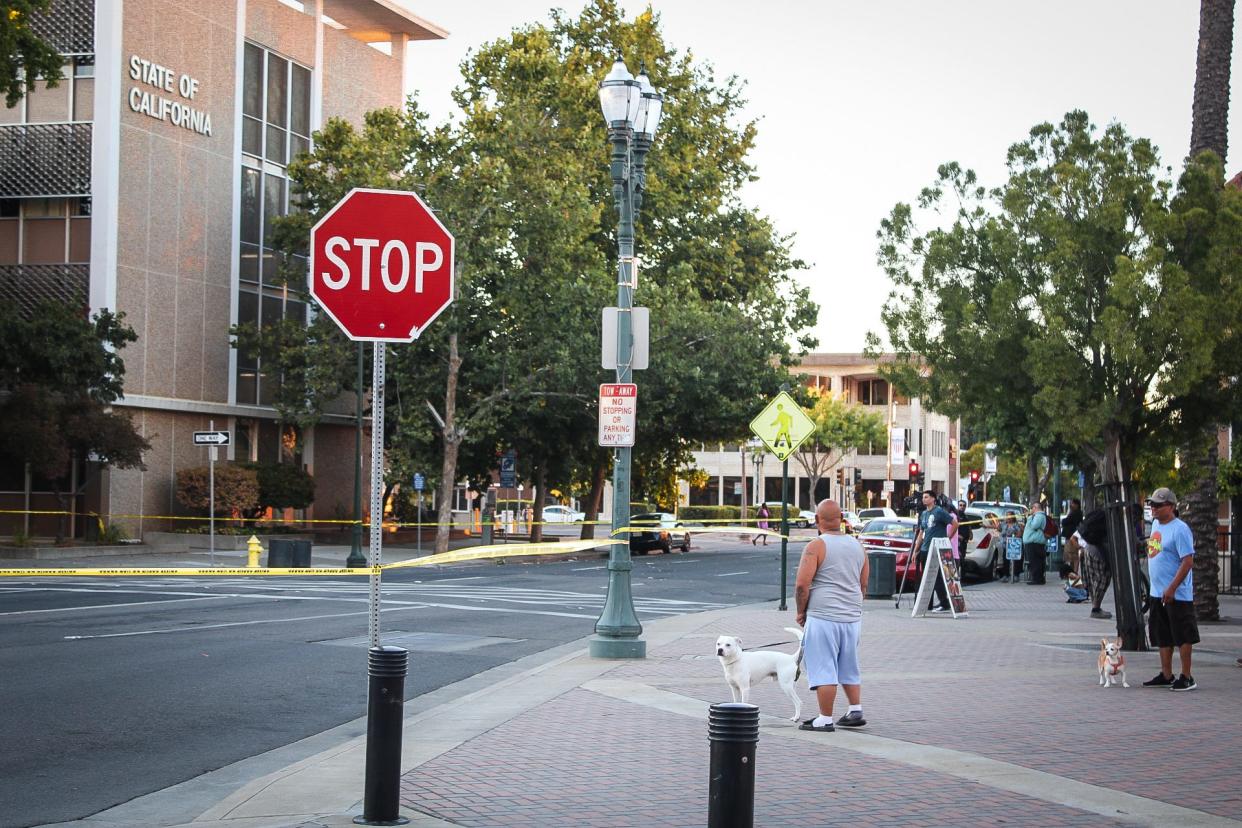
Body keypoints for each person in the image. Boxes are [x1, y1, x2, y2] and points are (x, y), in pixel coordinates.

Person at [795, 499, 868, 731]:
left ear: (817, 520)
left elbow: (802, 586)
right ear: (842, 519)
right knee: (849, 664)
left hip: (823, 615)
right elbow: (863, 583)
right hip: (852, 617)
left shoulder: (816, 546)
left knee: (824, 667)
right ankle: (855, 709)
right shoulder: (858, 546)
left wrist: (800, 611)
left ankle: (825, 718)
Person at [1141, 487, 1200, 691]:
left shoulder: (1180, 529)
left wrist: (1172, 587)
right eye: (1152, 504)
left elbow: (1187, 561)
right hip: (1157, 592)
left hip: (1177, 594)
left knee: (1182, 633)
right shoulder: (1156, 524)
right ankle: (1166, 674)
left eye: (1158, 505)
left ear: (1171, 507)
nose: (1153, 508)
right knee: (1162, 634)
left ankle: (1187, 675)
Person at [911, 491, 952, 612]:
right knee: (926, 577)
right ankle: (927, 603)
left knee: (938, 576)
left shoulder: (939, 512)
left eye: (926, 497)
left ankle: (944, 602)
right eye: (923, 497)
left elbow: (954, 523)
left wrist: (947, 538)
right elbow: (920, 533)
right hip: (925, 548)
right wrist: (916, 550)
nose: (924, 499)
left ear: (933, 499)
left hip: (936, 548)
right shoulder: (924, 514)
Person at [1078, 507, 1112, 619]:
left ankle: (1096, 607)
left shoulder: (1101, 515)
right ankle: (1096, 608)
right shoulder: (1113, 519)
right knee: (1103, 579)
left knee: (1094, 581)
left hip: (1088, 549)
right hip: (1099, 553)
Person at [1022, 501, 1048, 584]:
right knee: (1037, 561)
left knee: (1035, 561)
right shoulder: (1039, 516)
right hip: (1035, 541)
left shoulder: (1039, 516)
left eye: (1032, 508)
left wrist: (1029, 518)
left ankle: (1037, 579)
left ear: (1036, 508)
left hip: (1034, 542)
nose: (1031, 509)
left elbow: (1034, 526)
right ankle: (1038, 578)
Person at [999, 510, 1022, 580]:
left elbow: (1019, 533)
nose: (1008, 517)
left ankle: (1016, 575)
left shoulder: (1016, 525)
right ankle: (1006, 575)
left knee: (1016, 560)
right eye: (1007, 515)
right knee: (1005, 560)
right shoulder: (1003, 524)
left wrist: (1015, 539)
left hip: (1013, 544)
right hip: (1005, 545)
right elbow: (998, 528)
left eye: (1010, 516)